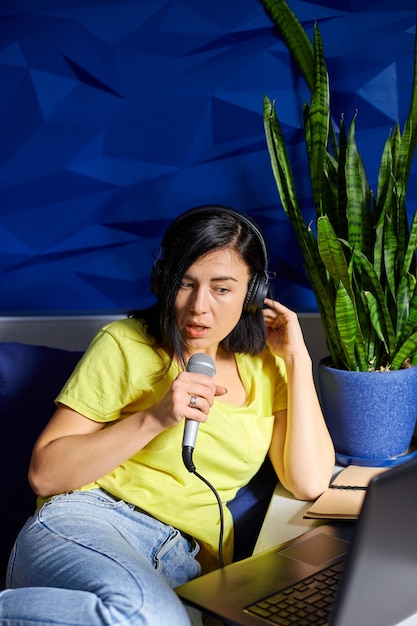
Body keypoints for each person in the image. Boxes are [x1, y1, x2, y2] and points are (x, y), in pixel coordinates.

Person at [0, 205, 335, 626]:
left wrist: (298, 360)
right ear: (164, 281)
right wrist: (156, 417)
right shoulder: (125, 344)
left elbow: (308, 480)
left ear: (253, 293)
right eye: (185, 283)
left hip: (184, 562)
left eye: (222, 288)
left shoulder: (269, 365)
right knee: (146, 617)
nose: (199, 307)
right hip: (90, 521)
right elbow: (45, 474)